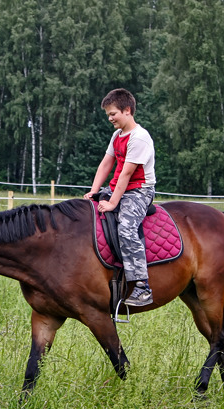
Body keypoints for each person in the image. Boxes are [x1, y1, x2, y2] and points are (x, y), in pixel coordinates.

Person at [84, 88, 156, 306]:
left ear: (127, 110)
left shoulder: (140, 137)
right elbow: (107, 163)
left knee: (126, 227)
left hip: (139, 191)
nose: (109, 118)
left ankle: (142, 287)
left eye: (113, 113)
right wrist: (94, 191)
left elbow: (126, 172)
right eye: (108, 114)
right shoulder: (117, 136)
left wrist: (113, 202)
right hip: (118, 187)